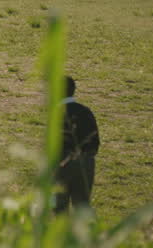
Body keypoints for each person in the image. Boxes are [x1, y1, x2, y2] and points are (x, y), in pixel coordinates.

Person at [55, 76, 100, 212]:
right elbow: (95, 142)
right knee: (82, 208)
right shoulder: (85, 111)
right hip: (86, 162)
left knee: (58, 207)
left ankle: (60, 233)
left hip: (62, 163)